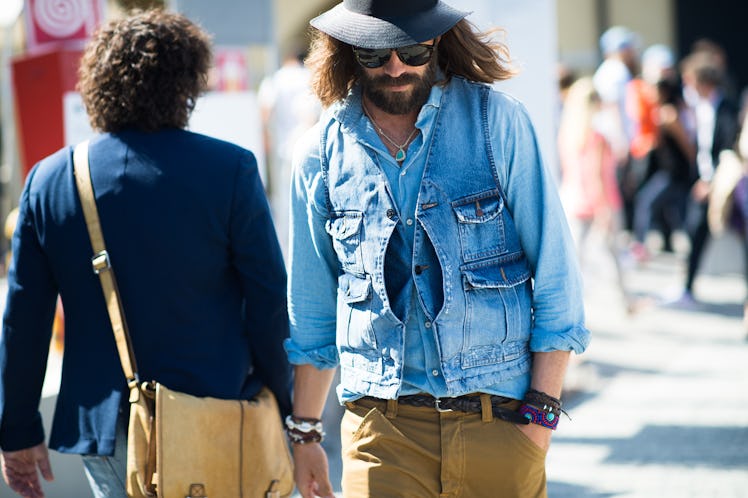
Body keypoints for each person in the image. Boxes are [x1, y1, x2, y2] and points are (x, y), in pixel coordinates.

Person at [283, 1, 590, 497]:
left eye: (411, 49)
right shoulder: (319, 154)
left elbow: (557, 278)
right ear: (347, 53)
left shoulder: (499, 125)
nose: (395, 66)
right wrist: (305, 433)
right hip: (380, 430)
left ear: (437, 43)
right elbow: (312, 310)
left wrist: (539, 420)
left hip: (498, 423)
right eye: (374, 54)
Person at [0, 10, 291, 498]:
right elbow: (268, 302)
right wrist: (282, 401)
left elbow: (24, 319)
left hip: (108, 424)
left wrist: (17, 431)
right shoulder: (229, 171)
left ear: (97, 82)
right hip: (218, 411)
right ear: (188, 84)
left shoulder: (51, 181)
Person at [671, 50, 739, 306]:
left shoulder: (728, 108)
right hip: (701, 182)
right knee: (693, 233)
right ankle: (687, 288)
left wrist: (711, 182)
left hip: (722, 185)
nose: (687, 86)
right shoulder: (697, 108)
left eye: (691, 80)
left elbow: (728, 148)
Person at [557, 77, 630, 311]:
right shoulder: (596, 138)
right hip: (601, 200)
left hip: (574, 200)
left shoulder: (566, 133)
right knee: (613, 254)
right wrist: (603, 208)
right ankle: (625, 301)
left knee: (576, 258)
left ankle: (572, 305)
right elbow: (596, 175)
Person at [258, 48, 321, 257]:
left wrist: (266, 139)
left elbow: (265, 113)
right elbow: (312, 114)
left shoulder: (276, 79)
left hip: (284, 150)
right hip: (309, 146)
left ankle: (288, 253)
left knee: (286, 203)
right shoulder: (307, 77)